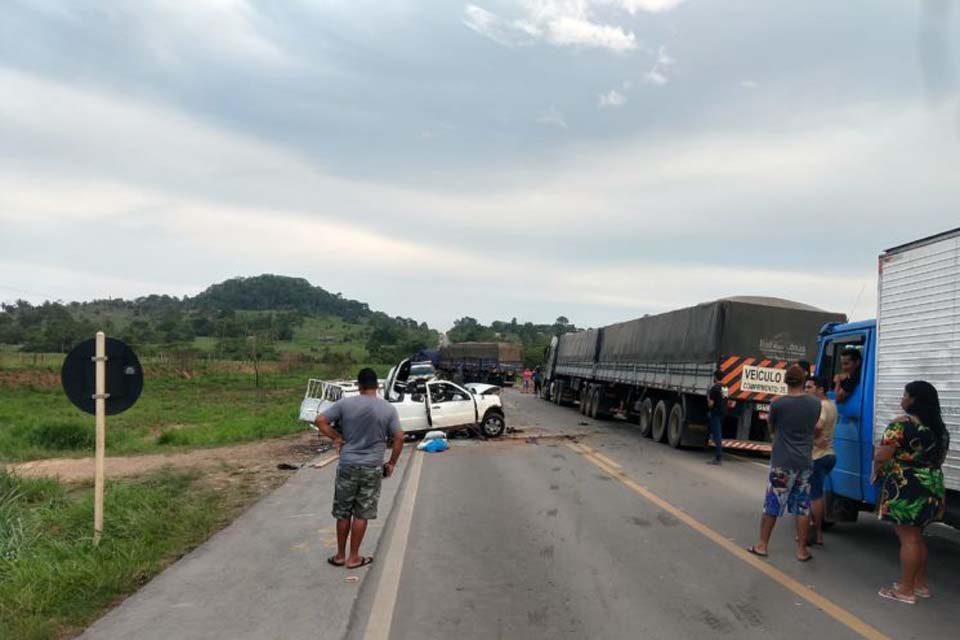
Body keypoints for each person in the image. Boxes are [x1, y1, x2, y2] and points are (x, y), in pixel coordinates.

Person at [314, 368, 404, 570]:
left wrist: (336, 437)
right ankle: (354, 557)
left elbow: (320, 420)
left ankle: (339, 555)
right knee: (362, 513)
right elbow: (399, 437)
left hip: (348, 465)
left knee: (343, 512)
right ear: (378, 386)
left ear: (359, 385)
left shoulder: (346, 404)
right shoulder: (388, 409)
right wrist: (391, 463)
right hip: (372, 467)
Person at [874, 381, 949, 605]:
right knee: (917, 536)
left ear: (914, 400)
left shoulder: (901, 426)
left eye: (905, 395)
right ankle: (919, 584)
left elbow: (883, 455)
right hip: (931, 485)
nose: (902, 399)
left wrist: (876, 467)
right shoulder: (939, 429)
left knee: (907, 537)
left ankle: (905, 590)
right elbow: (941, 459)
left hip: (907, 485)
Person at [748, 365, 821, 562]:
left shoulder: (778, 404)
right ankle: (801, 550)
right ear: (804, 380)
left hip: (782, 461)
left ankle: (762, 545)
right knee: (802, 507)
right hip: (805, 461)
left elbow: (772, 427)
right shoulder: (815, 404)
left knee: (773, 503)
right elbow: (815, 428)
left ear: (785, 381)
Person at [806, 377, 837, 546]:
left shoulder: (822, 406)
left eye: (810, 387)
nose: (807, 390)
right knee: (816, 493)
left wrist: (811, 438)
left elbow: (818, 426)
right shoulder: (832, 405)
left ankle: (816, 533)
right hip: (830, 454)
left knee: (814, 496)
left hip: (818, 455)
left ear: (820, 389)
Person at [706, 369, 726, 465]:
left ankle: (718, 458)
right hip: (722, 413)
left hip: (715, 413)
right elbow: (726, 400)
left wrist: (708, 398)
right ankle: (718, 456)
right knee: (717, 434)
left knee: (717, 436)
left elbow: (711, 404)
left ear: (715, 377)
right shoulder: (725, 388)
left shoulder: (714, 388)